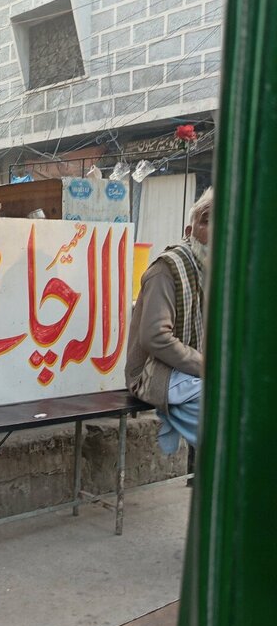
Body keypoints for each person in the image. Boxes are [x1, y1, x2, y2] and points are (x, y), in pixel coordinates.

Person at [125, 187, 212, 454]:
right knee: (226, 412)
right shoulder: (167, 269)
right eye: (206, 220)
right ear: (189, 230)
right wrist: (207, 366)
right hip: (155, 373)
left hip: (191, 370)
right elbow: (155, 337)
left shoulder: (212, 270)